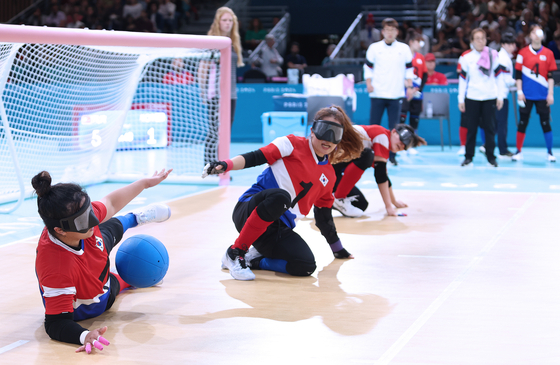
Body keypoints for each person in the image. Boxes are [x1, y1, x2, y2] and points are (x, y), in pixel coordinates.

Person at [201, 106, 365, 280]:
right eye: (325, 130)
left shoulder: (329, 176)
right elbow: (256, 156)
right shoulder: (291, 144)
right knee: (281, 197)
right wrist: (226, 165)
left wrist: (338, 250)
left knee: (305, 265)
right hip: (249, 210)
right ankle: (235, 253)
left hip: (276, 229)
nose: (328, 139)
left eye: (335, 134)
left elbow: (324, 218)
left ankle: (253, 260)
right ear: (313, 130)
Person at [33, 169, 172, 352]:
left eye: (89, 210)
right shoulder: (56, 268)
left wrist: (145, 183)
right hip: (91, 303)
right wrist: (83, 335)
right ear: (60, 230)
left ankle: (136, 217)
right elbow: (56, 323)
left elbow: (111, 203)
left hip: (87, 248)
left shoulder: (77, 220)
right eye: (84, 219)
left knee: (110, 227)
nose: (92, 219)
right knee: (117, 282)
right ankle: (128, 278)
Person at [332, 124, 426, 218]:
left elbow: (384, 176)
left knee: (360, 205)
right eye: (402, 139)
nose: (402, 145)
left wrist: (393, 201)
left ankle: (327, 198)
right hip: (328, 161)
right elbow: (380, 175)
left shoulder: (382, 145)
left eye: (405, 145)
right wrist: (389, 207)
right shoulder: (382, 136)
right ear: (393, 132)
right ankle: (338, 197)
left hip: (334, 168)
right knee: (367, 155)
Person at [364, 18, 414, 166]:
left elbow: (409, 69)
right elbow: (368, 67)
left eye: (393, 30)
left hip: (396, 94)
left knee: (394, 128)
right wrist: (368, 83)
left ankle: (392, 157)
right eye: (387, 30)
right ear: (383, 31)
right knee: (374, 127)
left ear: (397, 32)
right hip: (377, 93)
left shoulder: (404, 49)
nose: (390, 33)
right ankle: (369, 156)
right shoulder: (374, 48)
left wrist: (409, 86)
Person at [458, 28, 505, 167]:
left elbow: (499, 77)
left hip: (490, 97)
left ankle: (491, 156)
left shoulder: (493, 55)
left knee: (490, 128)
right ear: (472, 41)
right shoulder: (466, 58)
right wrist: (461, 99)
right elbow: (463, 80)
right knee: (471, 128)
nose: (480, 41)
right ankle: (468, 157)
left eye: (483, 38)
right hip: (472, 97)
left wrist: (500, 96)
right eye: (477, 38)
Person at [513, 24, 557, 162]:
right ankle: (518, 151)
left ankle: (550, 153)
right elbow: (518, 75)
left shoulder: (548, 53)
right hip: (526, 95)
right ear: (530, 35)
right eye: (534, 32)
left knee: (546, 123)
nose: (537, 35)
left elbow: (550, 77)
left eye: (539, 32)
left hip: (542, 95)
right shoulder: (522, 53)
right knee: (522, 122)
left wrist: (550, 94)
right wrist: (520, 92)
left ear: (542, 35)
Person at [207, 6, 244, 129]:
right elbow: (203, 67)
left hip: (231, 92)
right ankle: (212, 150)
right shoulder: (211, 41)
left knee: (228, 128)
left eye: (230, 20)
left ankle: (223, 150)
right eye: (224, 20)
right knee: (214, 129)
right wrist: (203, 92)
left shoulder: (234, 42)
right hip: (216, 92)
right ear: (218, 22)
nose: (228, 23)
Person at [482, 33, 517, 157]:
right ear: (503, 44)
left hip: (500, 94)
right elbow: (505, 79)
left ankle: (486, 145)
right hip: (500, 95)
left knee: (497, 123)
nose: (512, 46)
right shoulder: (502, 58)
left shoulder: (504, 57)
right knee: (501, 123)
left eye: (513, 44)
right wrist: (519, 83)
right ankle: (502, 149)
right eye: (509, 44)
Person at [400, 30, 428, 155]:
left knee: (414, 118)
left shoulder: (421, 57)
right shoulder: (403, 56)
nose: (420, 44)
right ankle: (400, 142)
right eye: (418, 41)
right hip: (404, 92)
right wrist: (407, 89)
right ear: (411, 42)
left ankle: (412, 143)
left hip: (417, 93)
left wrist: (419, 89)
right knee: (402, 117)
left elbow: (425, 75)